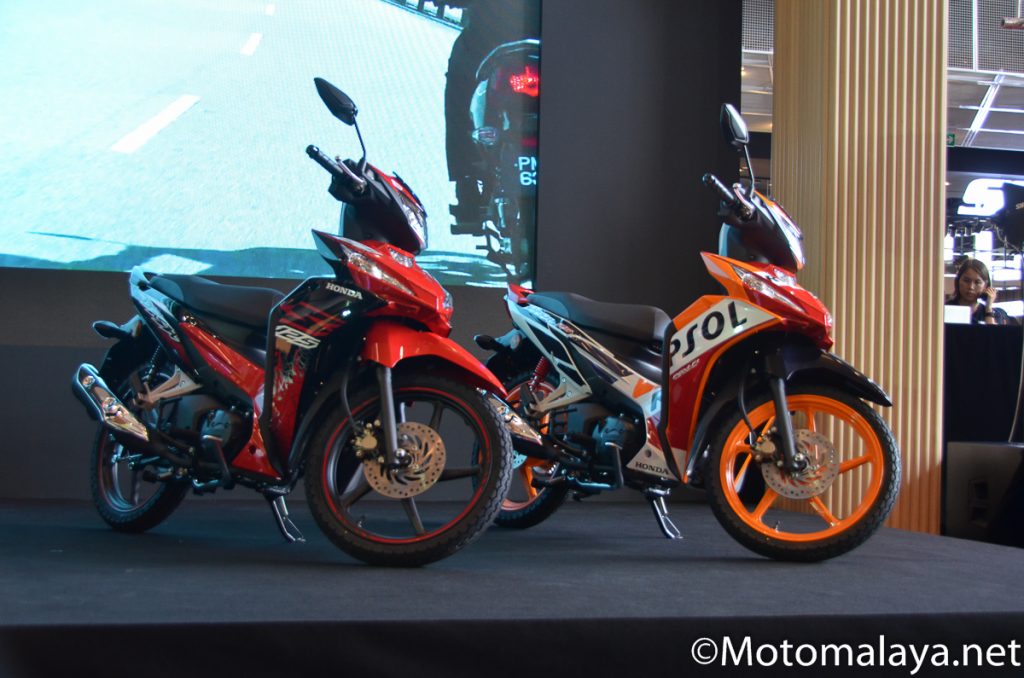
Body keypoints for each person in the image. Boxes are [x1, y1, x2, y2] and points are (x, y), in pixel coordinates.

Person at [946, 258, 1011, 325]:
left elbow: (992, 331)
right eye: (966, 281)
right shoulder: (945, 309)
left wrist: (988, 308)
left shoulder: (992, 314)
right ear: (958, 281)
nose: (971, 287)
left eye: (977, 282)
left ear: (985, 285)